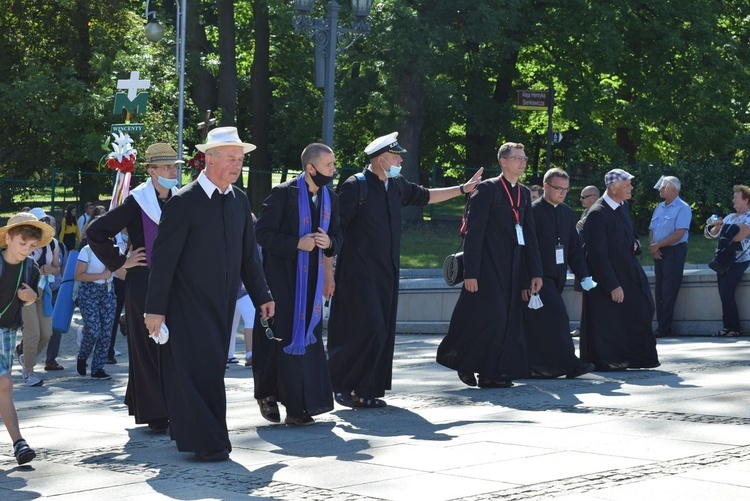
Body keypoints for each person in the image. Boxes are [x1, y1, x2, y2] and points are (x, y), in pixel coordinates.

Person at [144, 127, 274, 461]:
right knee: (196, 372)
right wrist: (155, 309)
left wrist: (263, 296)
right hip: (186, 305)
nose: (237, 165)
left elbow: (249, 257)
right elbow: (163, 261)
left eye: (241, 159)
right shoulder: (184, 202)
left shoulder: (239, 200)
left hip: (222, 305)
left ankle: (202, 434)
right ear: (209, 159)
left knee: (212, 371)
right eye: (231, 158)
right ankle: (207, 441)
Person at [327, 132, 482, 408]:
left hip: (387, 271)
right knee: (366, 327)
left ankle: (367, 389)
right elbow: (335, 228)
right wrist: (329, 270)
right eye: (395, 155)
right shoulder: (355, 186)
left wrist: (462, 189)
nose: (400, 160)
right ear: (380, 159)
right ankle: (343, 385)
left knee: (382, 329)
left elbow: (425, 196)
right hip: (357, 272)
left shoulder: (396, 185)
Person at [87, 143, 182, 433]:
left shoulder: (180, 198)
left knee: (173, 345)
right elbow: (96, 232)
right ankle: (155, 413)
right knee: (148, 345)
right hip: (143, 281)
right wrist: (119, 262)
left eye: (175, 166)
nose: (173, 171)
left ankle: (160, 403)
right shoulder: (136, 201)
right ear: (152, 171)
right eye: (166, 167)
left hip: (175, 283)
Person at [436, 142, 542, 388]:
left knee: (506, 320)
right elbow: (474, 234)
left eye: (524, 158)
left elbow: (530, 236)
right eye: (517, 158)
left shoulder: (524, 193)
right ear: (503, 162)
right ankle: (464, 362)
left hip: (513, 268)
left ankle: (492, 373)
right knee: (485, 319)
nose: (523, 162)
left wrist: (533, 273)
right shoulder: (487, 189)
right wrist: (471, 273)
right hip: (487, 267)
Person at [254, 143, 342, 425]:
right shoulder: (283, 194)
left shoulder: (331, 199)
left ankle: (299, 406)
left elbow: (339, 236)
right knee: (278, 339)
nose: (333, 171)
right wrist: (296, 243)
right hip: (281, 280)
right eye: (329, 166)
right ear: (310, 168)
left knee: (308, 340)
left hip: (313, 284)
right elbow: (262, 233)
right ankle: (267, 395)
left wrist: (329, 243)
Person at [580, 169, 659, 370]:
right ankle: (612, 361)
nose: (631, 188)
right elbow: (597, 254)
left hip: (629, 270)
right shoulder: (597, 213)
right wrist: (613, 285)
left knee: (644, 307)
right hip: (611, 277)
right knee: (611, 322)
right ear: (613, 188)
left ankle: (637, 358)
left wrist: (635, 245)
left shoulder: (622, 207)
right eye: (627, 185)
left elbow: (631, 235)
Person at [522, 168, 596, 379]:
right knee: (559, 318)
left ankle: (541, 368)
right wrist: (524, 281)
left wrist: (584, 275)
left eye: (566, 189)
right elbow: (524, 249)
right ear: (545, 187)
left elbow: (572, 247)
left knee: (544, 325)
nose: (563, 193)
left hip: (558, 277)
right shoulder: (532, 212)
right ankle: (572, 364)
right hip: (538, 277)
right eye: (558, 188)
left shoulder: (566, 212)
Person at [0, 212, 54, 464]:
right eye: (22, 243)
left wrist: (32, 297)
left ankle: (18, 443)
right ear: (8, 237)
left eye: (32, 246)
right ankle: (19, 442)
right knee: (5, 383)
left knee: (4, 385)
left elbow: (33, 297)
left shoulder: (30, 267)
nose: (26, 250)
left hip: (8, 333)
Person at [75, 227, 126, 380]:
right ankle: (82, 356)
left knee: (106, 333)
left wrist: (117, 263)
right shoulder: (87, 250)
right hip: (89, 292)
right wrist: (102, 275)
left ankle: (98, 368)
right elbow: (78, 275)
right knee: (93, 329)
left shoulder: (115, 251)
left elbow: (123, 276)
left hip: (108, 292)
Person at [16, 208, 59, 387]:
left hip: (44, 291)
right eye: (41, 221)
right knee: (32, 332)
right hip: (26, 290)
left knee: (46, 333)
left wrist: (51, 270)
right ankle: (29, 372)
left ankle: (24, 355)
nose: (44, 225)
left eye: (45, 221)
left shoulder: (53, 244)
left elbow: (58, 268)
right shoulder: (23, 243)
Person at [649, 176, 692, 337]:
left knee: (668, 290)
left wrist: (658, 245)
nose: (660, 189)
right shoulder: (660, 207)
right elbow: (652, 229)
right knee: (659, 291)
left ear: (674, 189)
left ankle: (664, 328)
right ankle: (661, 326)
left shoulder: (683, 207)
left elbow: (680, 233)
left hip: (674, 252)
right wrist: (654, 246)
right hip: (659, 252)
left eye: (663, 187)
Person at [704, 185, 750, 337]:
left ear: (746, 200)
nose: (733, 200)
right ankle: (727, 326)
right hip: (723, 260)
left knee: (726, 292)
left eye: (736, 198)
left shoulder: (749, 217)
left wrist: (724, 226)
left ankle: (735, 328)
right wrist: (715, 224)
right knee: (723, 294)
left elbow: (738, 236)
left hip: (741, 261)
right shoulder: (730, 217)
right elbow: (710, 235)